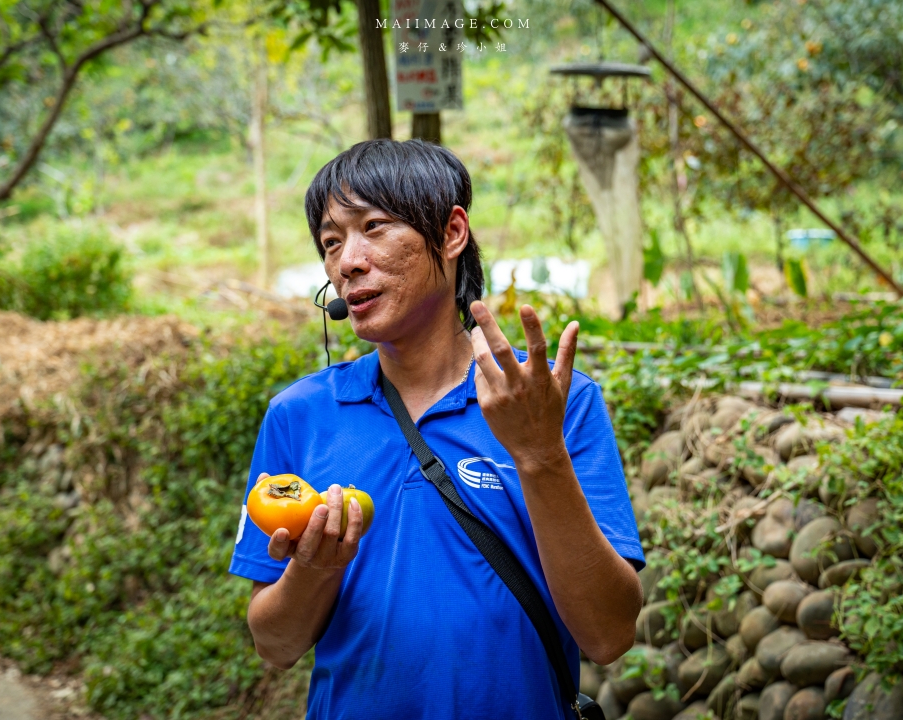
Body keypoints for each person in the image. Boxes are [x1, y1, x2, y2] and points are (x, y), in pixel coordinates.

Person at [229, 138, 645, 719]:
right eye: (331, 242)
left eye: (373, 227)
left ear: (451, 234)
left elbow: (609, 636)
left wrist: (540, 453)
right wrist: (314, 568)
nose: (348, 262)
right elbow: (275, 645)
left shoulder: (553, 404)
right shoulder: (299, 416)